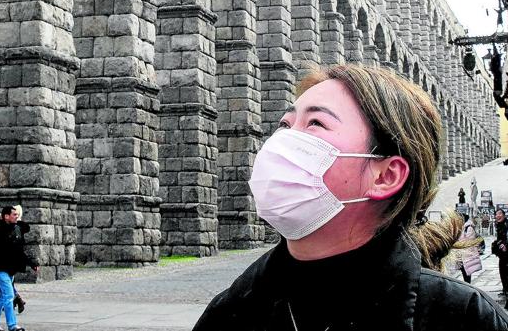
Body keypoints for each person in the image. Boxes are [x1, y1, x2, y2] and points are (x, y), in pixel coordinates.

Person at [193, 65, 508, 330]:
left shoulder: (466, 318)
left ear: (385, 176)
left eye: (315, 123)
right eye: (285, 125)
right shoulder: (228, 313)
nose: (283, 140)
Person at [0, 206, 38, 331]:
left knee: (0, 297)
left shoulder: (15, 229)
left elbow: (19, 250)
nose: (17, 216)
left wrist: (31, 263)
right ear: (6, 216)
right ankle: (12, 325)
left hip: (10, 268)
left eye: (17, 214)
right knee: (9, 295)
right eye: (14, 214)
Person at [455, 214, 482, 283]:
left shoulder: (469, 228)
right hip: (461, 253)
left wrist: (458, 243)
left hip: (467, 254)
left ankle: (468, 285)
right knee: (463, 270)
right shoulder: (462, 227)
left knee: (467, 271)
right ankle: (467, 284)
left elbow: (469, 241)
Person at [493, 208, 508, 300]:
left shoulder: (506, 224)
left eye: (499, 214)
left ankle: (506, 291)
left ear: (504, 215)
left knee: (505, 271)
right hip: (502, 253)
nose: (497, 215)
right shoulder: (499, 225)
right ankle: (505, 290)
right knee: (502, 270)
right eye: (496, 214)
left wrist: (505, 244)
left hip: (507, 252)